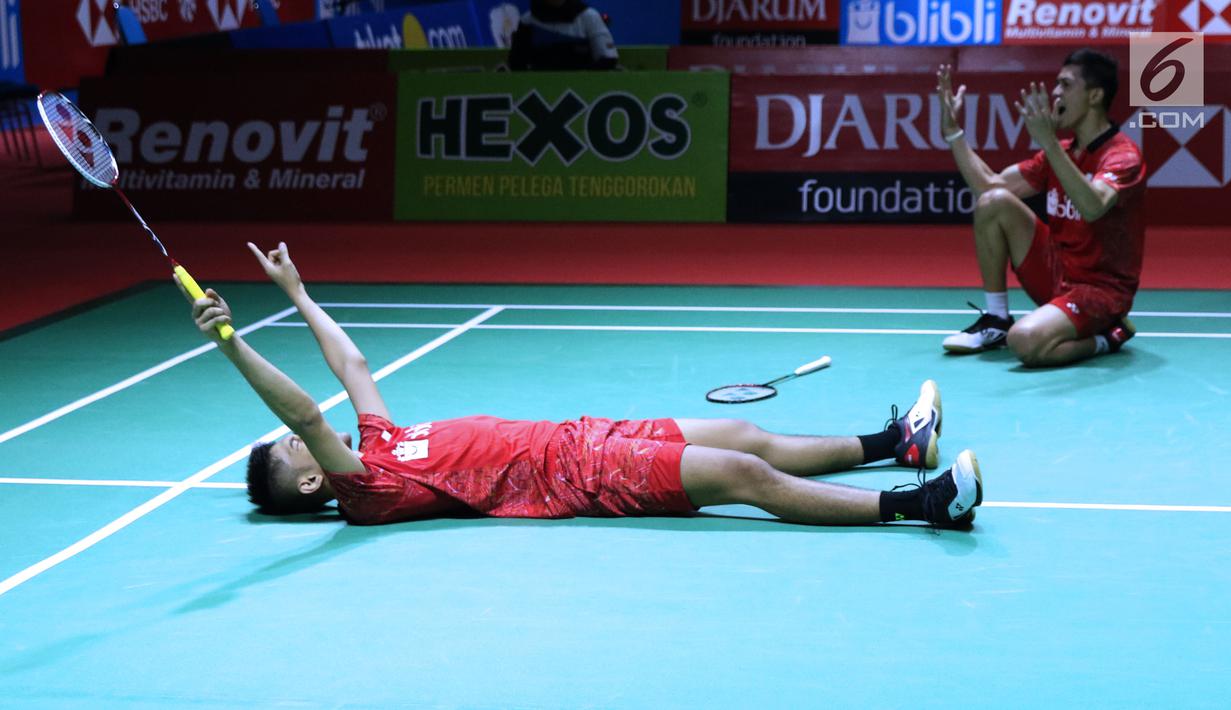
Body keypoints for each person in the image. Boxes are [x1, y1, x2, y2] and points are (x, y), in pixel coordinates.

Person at [178, 242, 984, 530]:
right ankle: (920, 507)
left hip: (577, 435)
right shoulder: (366, 487)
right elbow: (303, 406)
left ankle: (894, 444)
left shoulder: (383, 442)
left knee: (743, 438)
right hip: (579, 478)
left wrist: (296, 295)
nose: (304, 433)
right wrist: (229, 343)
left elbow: (349, 369)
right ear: (314, 477)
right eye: (295, 447)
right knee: (742, 477)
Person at [937, 49, 1146, 367]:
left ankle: (1107, 337)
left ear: (1094, 95)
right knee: (994, 203)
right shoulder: (1061, 152)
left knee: (1024, 342)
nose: (1055, 93)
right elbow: (989, 185)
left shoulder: (1123, 156)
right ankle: (996, 319)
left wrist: (1048, 142)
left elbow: (1093, 206)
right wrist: (953, 132)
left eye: (1065, 85)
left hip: (1100, 292)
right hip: (1056, 272)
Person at [507, 0, 618, 71]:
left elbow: (608, 59)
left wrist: (581, 79)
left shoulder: (589, 17)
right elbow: (517, 63)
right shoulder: (528, 20)